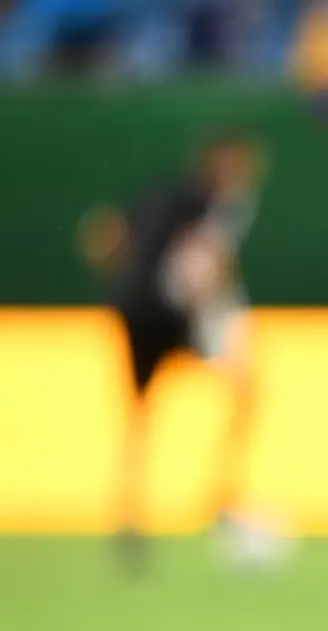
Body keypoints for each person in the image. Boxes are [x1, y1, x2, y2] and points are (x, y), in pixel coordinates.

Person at [79, 130, 276, 572]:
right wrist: (216, 310)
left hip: (132, 311)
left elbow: (100, 235)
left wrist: (124, 282)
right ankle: (221, 495)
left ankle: (130, 513)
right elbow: (200, 264)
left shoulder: (158, 194)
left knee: (140, 412)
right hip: (175, 315)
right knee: (244, 385)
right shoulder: (212, 207)